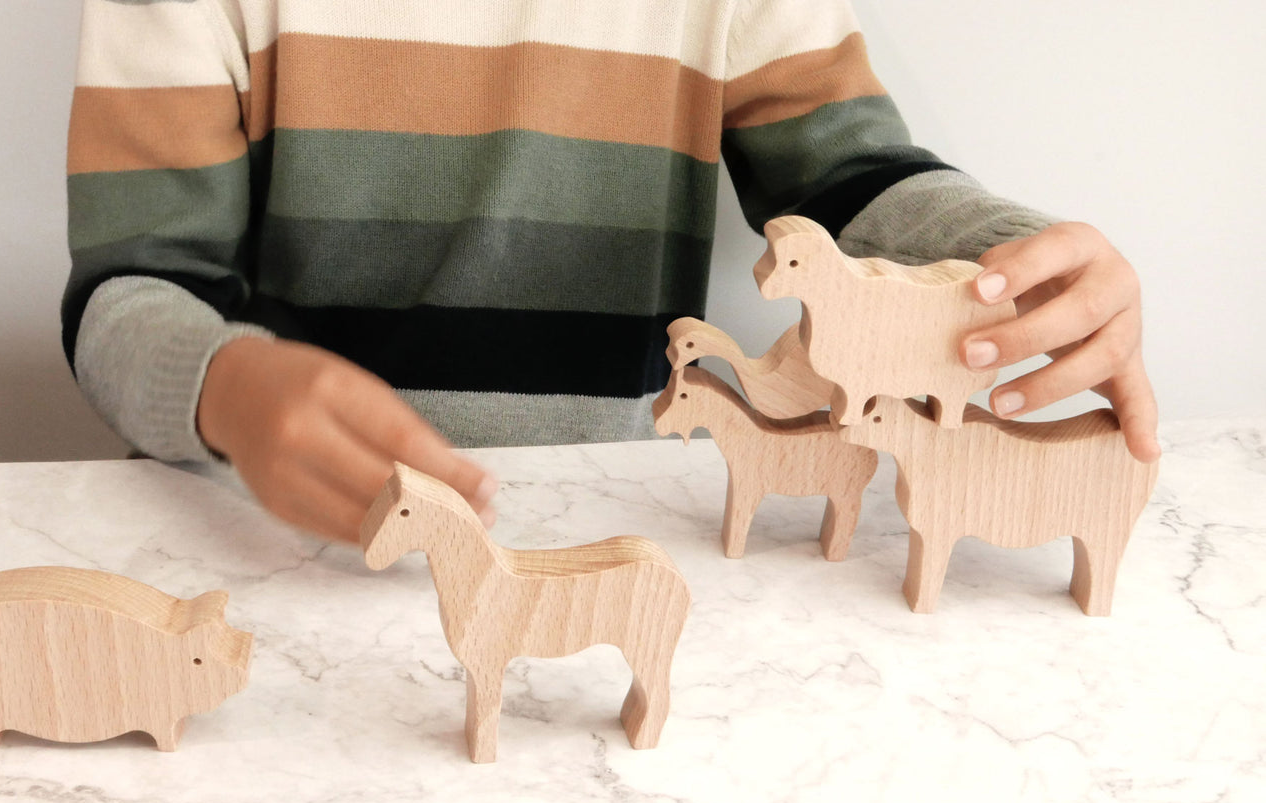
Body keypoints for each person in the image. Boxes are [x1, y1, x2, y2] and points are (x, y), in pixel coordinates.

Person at [63, 0, 1158, 545]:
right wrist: (225, 386)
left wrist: (1018, 261)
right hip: (272, 542)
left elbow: (847, 183)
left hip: (605, 534)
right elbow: (132, 287)